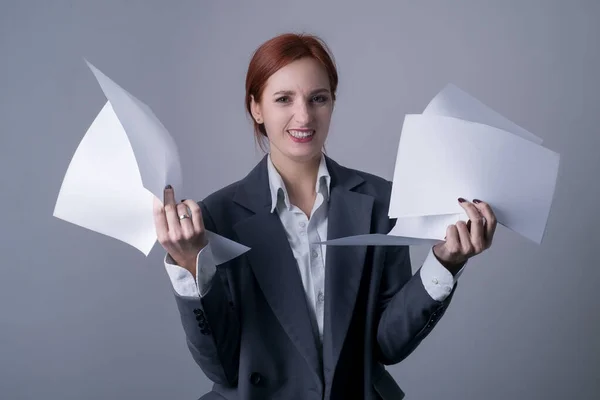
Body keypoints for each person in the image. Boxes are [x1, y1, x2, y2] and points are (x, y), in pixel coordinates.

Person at [153, 32, 497, 400]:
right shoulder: (216, 217)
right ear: (256, 108)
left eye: (318, 98)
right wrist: (191, 267)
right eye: (283, 99)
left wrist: (445, 263)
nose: (303, 116)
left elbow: (388, 345)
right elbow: (222, 367)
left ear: (332, 103)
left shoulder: (380, 201)